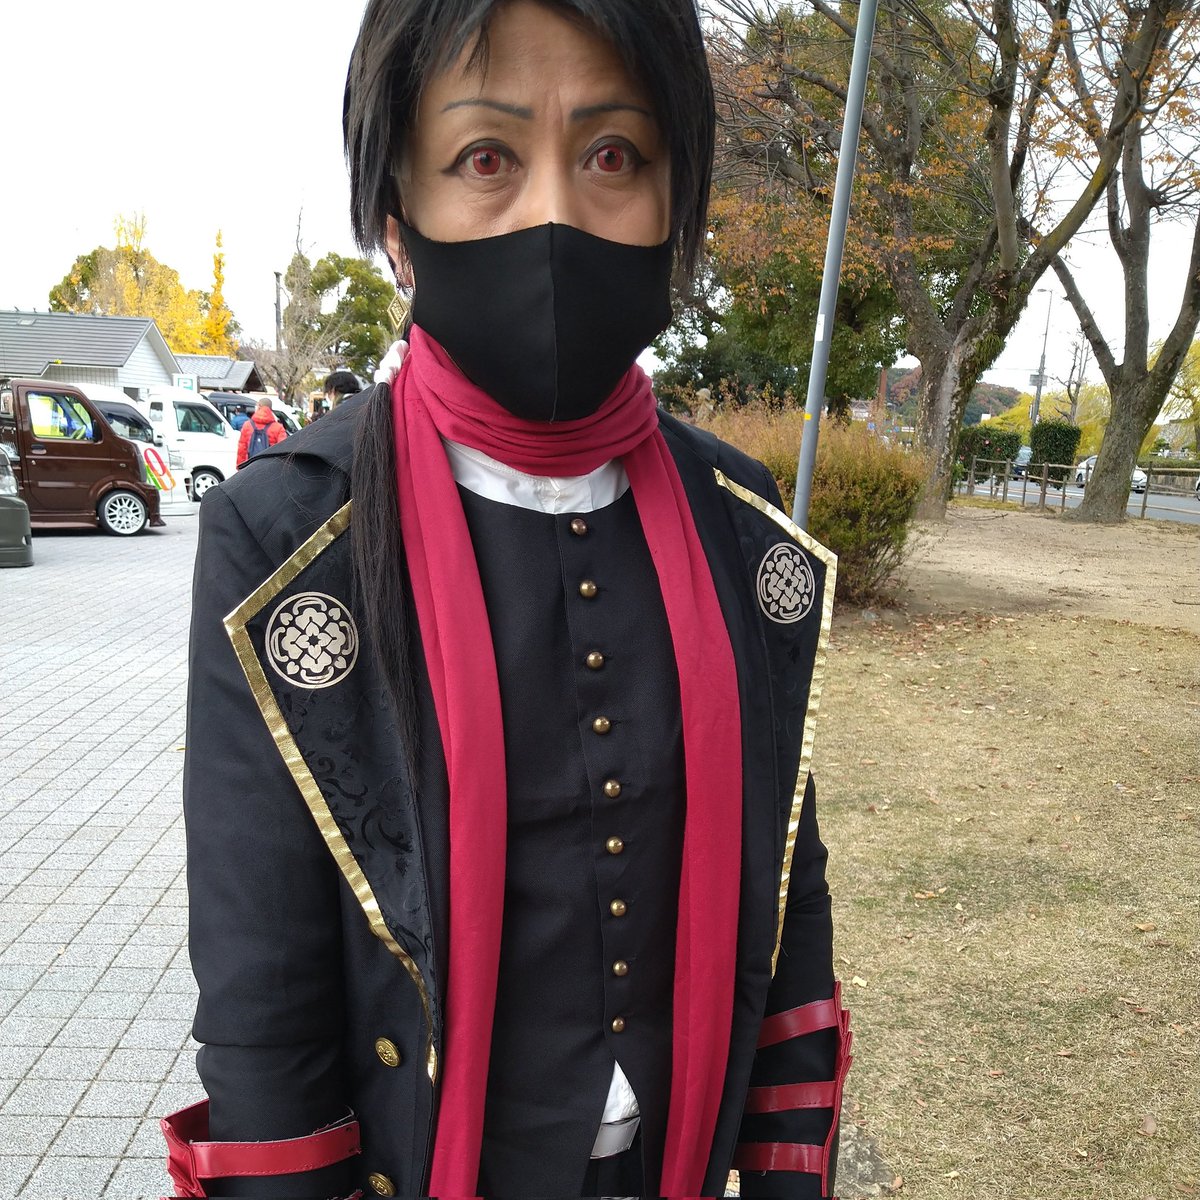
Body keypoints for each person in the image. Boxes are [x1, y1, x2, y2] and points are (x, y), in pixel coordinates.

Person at [167, 2, 850, 1197]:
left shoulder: (741, 525)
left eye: (613, 155)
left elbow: (786, 905)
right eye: (486, 157)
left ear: (675, 199)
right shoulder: (286, 545)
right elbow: (264, 1005)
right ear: (398, 215)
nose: (553, 214)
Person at [234, 399, 287, 466]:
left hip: (250, 465)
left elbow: (242, 448)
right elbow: (282, 449)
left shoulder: (247, 425)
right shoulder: (278, 427)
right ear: (271, 409)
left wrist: (240, 466)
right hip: (270, 466)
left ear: (258, 406)